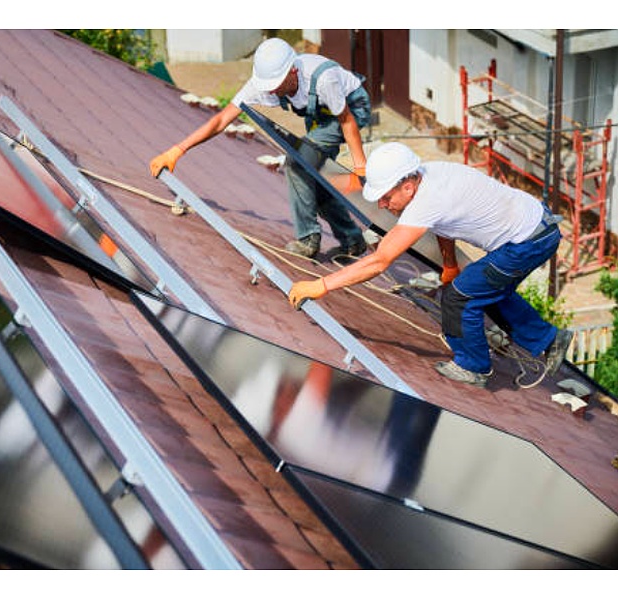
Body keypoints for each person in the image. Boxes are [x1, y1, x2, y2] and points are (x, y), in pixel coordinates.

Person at [288, 142, 573, 388]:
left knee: (461, 296)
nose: (384, 205)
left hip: (528, 241)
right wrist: (449, 265)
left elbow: (379, 261)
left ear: (407, 186)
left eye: (387, 197)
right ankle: (551, 339)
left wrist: (321, 285)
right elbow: (445, 226)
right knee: (483, 287)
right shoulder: (429, 175)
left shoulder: (427, 200)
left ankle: (473, 367)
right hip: (536, 228)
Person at [149, 37, 371, 260]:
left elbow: (347, 121)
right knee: (313, 178)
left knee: (297, 163)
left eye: (276, 85)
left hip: (351, 108)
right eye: (269, 86)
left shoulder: (323, 79)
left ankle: (308, 239)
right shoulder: (262, 84)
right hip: (320, 117)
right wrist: (178, 150)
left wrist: (360, 167)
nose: (272, 92)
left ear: (293, 71)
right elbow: (221, 120)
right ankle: (352, 240)